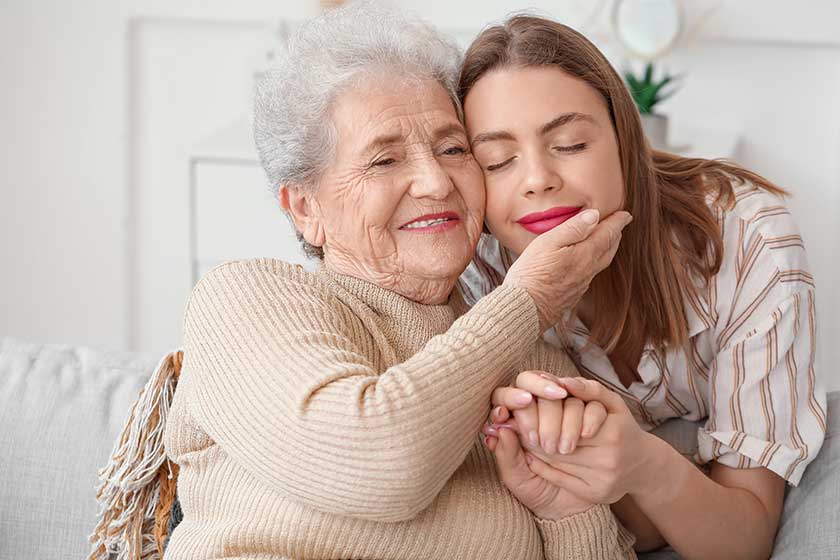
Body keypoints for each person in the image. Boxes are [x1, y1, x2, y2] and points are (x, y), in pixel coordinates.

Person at [160, 4, 635, 559]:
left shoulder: (537, 366)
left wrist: (567, 508)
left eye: (453, 149)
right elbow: (380, 463)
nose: (435, 182)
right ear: (305, 208)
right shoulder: (246, 301)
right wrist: (527, 298)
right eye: (384, 161)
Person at [459, 15, 827, 559]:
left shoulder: (750, 240)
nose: (537, 178)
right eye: (498, 160)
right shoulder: (476, 272)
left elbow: (746, 536)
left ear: (624, 138)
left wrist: (646, 464)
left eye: (570, 143)